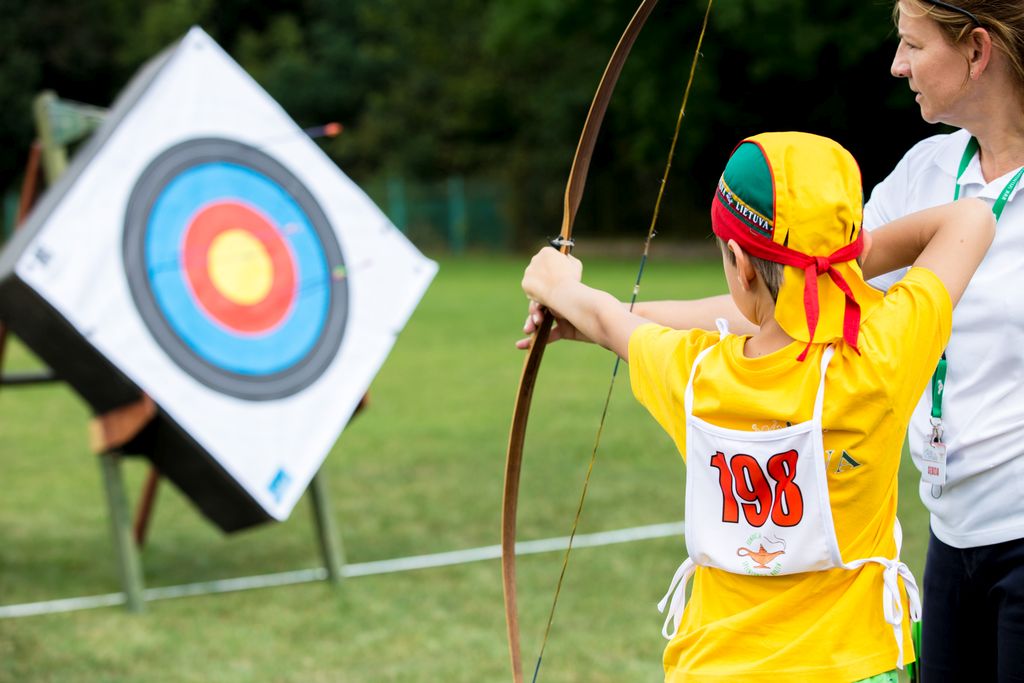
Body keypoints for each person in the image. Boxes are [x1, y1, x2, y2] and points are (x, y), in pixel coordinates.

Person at [520, 131, 994, 682]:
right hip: (853, 665)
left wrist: (559, 288)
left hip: (715, 669)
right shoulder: (877, 360)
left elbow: (608, 320)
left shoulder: (694, 372)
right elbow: (971, 220)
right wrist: (834, 256)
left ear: (740, 265)